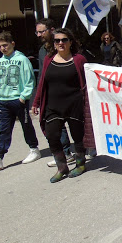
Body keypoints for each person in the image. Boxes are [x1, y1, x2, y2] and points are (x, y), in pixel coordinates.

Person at [32, 28, 90, 182]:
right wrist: (36, 101)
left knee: (78, 136)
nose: (60, 43)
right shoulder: (48, 59)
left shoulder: (79, 59)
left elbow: (89, 82)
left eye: (64, 40)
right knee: (52, 135)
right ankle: (62, 167)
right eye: (57, 40)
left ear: (71, 42)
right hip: (53, 105)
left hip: (75, 104)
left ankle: (80, 164)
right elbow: (42, 82)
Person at [0, 31, 40, 171]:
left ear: (12, 44)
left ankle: (33, 149)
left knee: (26, 125)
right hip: (2, 100)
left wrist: (24, 96)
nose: (2, 49)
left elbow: (30, 79)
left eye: (5, 45)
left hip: (18, 100)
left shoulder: (22, 59)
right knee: (4, 129)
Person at [35, 18, 74, 167]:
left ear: (51, 30)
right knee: (55, 127)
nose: (39, 34)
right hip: (50, 95)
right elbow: (42, 75)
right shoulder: (42, 51)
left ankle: (84, 148)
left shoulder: (65, 48)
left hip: (69, 94)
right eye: (37, 32)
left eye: (42, 31)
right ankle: (65, 153)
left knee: (75, 124)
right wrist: (37, 98)